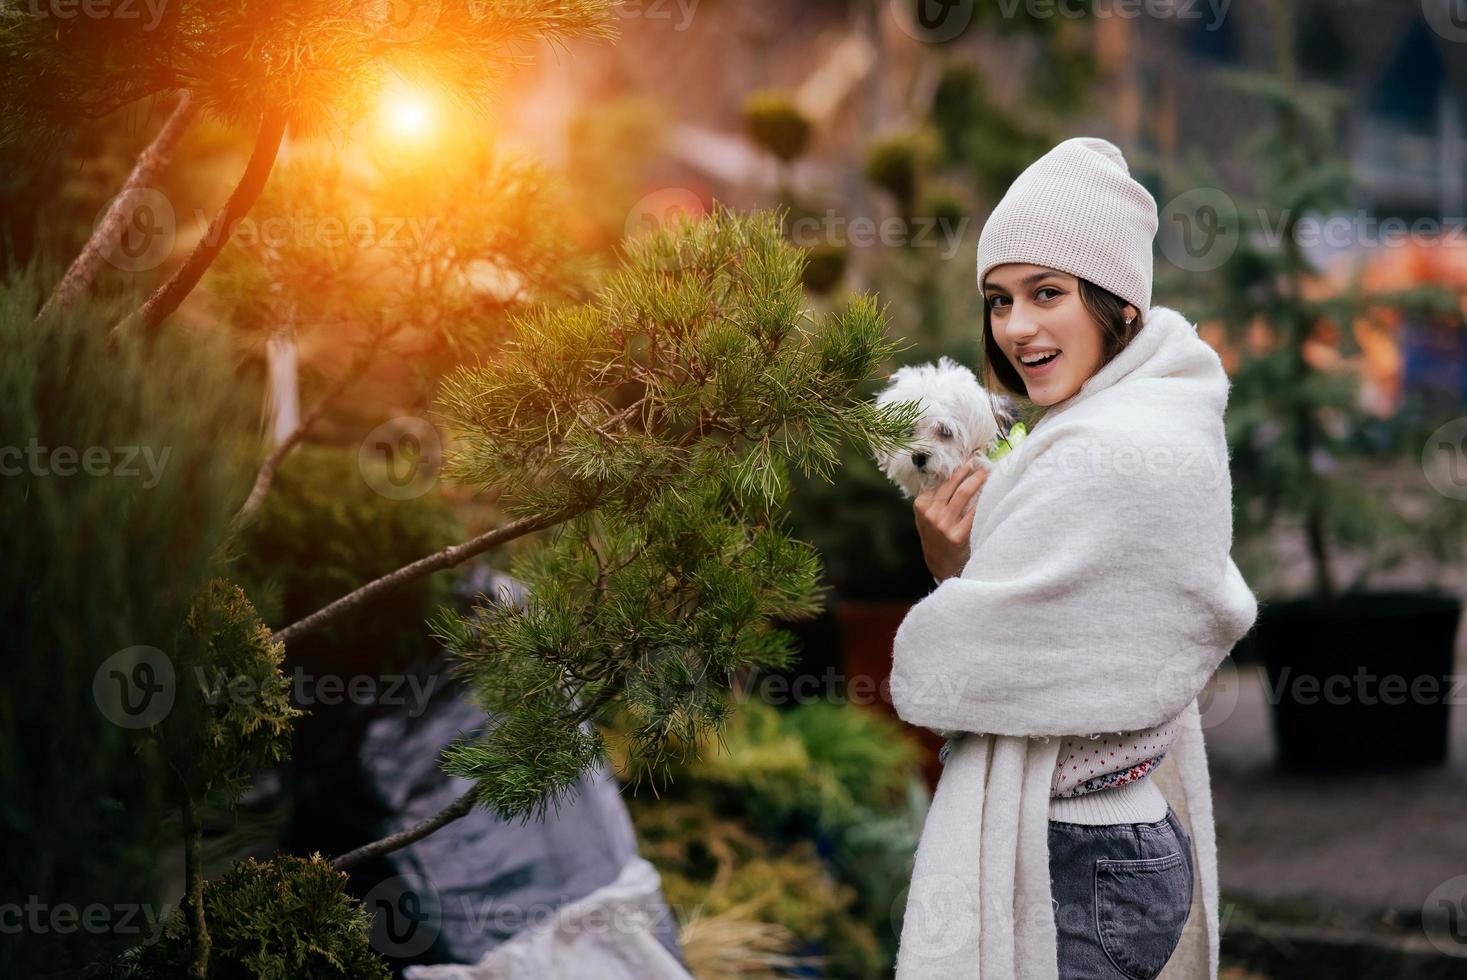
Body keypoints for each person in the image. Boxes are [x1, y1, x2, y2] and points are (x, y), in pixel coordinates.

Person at [892, 136, 1258, 980]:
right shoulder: (1139, 416)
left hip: (1082, 854)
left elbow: (957, 672)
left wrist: (948, 573)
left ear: (1116, 303)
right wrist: (964, 571)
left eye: (1046, 293)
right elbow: (1047, 637)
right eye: (997, 300)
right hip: (1105, 839)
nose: (1015, 327)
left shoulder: (1110, 448)